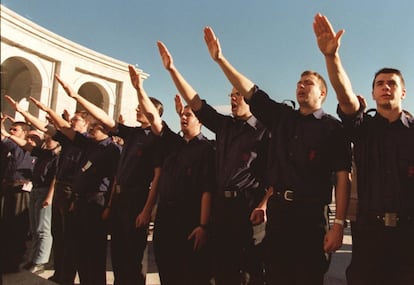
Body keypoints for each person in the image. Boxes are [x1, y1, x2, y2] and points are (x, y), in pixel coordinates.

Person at [203, 26, 352, 285]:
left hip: (311, 219)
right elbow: (251, 91)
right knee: (274, 276)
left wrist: (338, 224)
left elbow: (342, 177)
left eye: (309, 83)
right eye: (299, 82)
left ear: (322, 93)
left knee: (307, 277)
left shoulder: (333, 128)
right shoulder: (281, 118)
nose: (301, 86)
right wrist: (220, 60)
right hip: (279, 215)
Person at [157, 42, 270, 285]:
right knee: (221, 271)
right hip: (221, 211)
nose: (232, 99)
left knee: (249, 274)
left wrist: (264, 204)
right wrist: (172, 70)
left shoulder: (264, 131)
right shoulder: (224, 126)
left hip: (248, 210)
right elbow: (197, 103)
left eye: (237, 94)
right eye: (230, 95)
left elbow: (275, 175)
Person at [313, 13, 414, 285]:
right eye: (380, 84)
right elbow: (346, 98)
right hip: (369, 234)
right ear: (372, 94)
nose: (386, 87)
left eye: (392, 83)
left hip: (408, 235)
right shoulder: (364, 128)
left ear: (403, 92)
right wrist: (331, 58)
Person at [54, 74, 163, 285]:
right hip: (120, 199)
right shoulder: (132, 134)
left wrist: (147, 209)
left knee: (133, 258)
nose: (137, 109)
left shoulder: (158, 138)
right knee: (119, 255)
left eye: (142, 106)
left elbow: (157, 176)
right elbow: (105, 118)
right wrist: (75, 95)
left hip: (137, 199)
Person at [129, 65, 215, 285]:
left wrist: (203, 226)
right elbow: (153, 117)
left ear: (200, 121)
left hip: (189, 219)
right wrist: (139, 89)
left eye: (189, 115)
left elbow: (207, 190)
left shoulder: (207, 150)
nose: (184, 118)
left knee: (190, 275)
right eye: (182, 114)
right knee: (167, 270)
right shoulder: (173, 144)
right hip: (165, 218)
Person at [24, 97, 90, 285]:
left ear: (85, 124)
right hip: (61, 188)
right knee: (58, 233)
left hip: (71, 190)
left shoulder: (84, 142)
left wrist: (46, 108)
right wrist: (25, 113)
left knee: (70, 237)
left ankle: (67, 276)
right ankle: (59, 272)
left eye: (76, 120)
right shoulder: (67, 141)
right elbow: (47, 129)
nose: (71, 122)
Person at [3, 96, 62, 275]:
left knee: (43, 228)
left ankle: (41, 260)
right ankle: (33, 258)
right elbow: (24, 144)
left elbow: (55, 178)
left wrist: (50, 196)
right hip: (35, 190)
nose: (46, 136)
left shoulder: (58, 154)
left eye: (48, 135)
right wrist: (7, 134)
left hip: (44, 192)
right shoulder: (43, 153)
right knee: (35, 227)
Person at [0, 118, 36, 274]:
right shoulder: (10, 146)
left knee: (18, 226)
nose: (11, 132)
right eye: (11, 129)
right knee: (5, 224)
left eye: (15, 130)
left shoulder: (30, 148)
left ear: (24, 133)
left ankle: (16, 261)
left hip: (22, 189)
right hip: (7, 187)